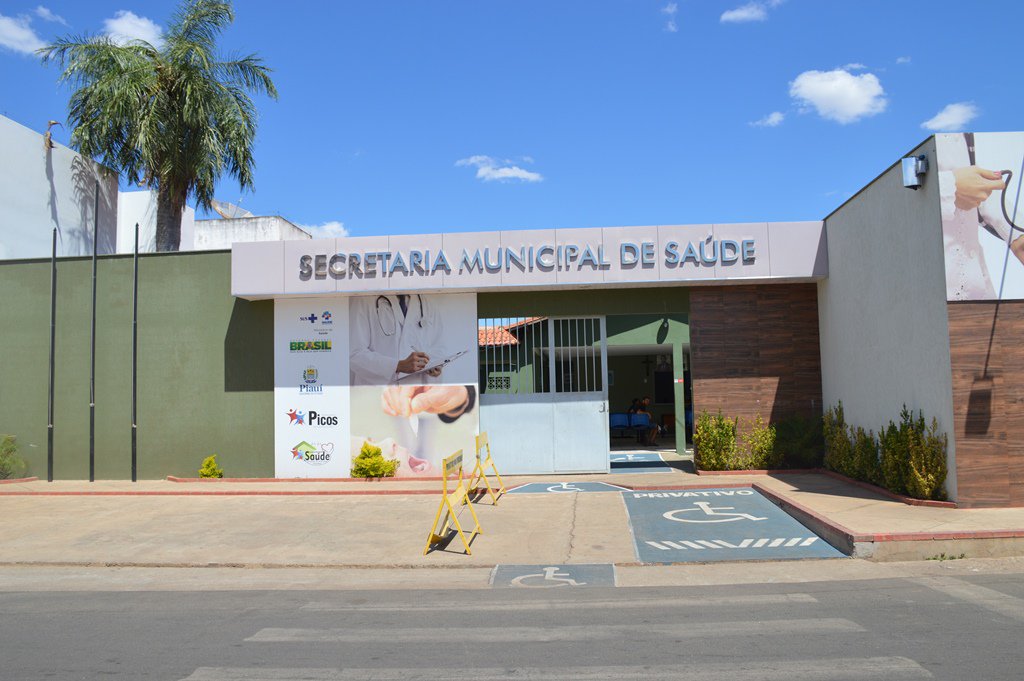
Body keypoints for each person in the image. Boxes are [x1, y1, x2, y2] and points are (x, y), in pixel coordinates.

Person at [939, 132, 1023, 300]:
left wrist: (1016, 234)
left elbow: (963, 173)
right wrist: (947, 187)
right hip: (931, 287)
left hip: (975, 285)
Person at [349, 293, 451, 385]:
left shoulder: (426, 302)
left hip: (417, 391)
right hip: (377, 392)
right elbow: (354, 354)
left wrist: (435, 364)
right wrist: (397, 366)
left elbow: (438, 346)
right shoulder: (363, 299)